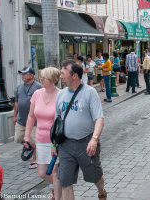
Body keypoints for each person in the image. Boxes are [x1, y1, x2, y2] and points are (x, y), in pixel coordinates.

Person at [54, 60, 106, 199]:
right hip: (66, 145)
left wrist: (94, 139)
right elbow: (57, 122)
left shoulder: (90, 93)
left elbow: (99, 119)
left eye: (63, 73)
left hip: (87, 143)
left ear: (74, 75)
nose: (60, 76)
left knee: (95, 176)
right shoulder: (61, 94)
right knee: (65, 181)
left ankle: (101, 191)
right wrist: (54, 144)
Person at [24, 67, 62, 199]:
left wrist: (55, 143)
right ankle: (61, 186)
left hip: (55, 141)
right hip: (40, 139)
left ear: (53, 80)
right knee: (42, 173)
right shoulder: (37, 94)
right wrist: (27, 136)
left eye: (44, 77)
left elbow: (62, 121)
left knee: (56, 171)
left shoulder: (61, 95)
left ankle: (58, 195)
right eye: (41, 77)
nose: (41, 80)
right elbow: (30, 117)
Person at [13, 67, 42, 168]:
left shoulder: (38, 87)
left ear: (31, 75)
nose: (23, 76)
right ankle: (28, 146)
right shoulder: (19, 87)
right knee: (18, 138)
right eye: (22, 74)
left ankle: (35, 159)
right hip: (21, 120)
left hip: (34, 121)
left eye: (25, 74)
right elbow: (16, 102)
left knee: (35, 141)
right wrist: (14, 115)